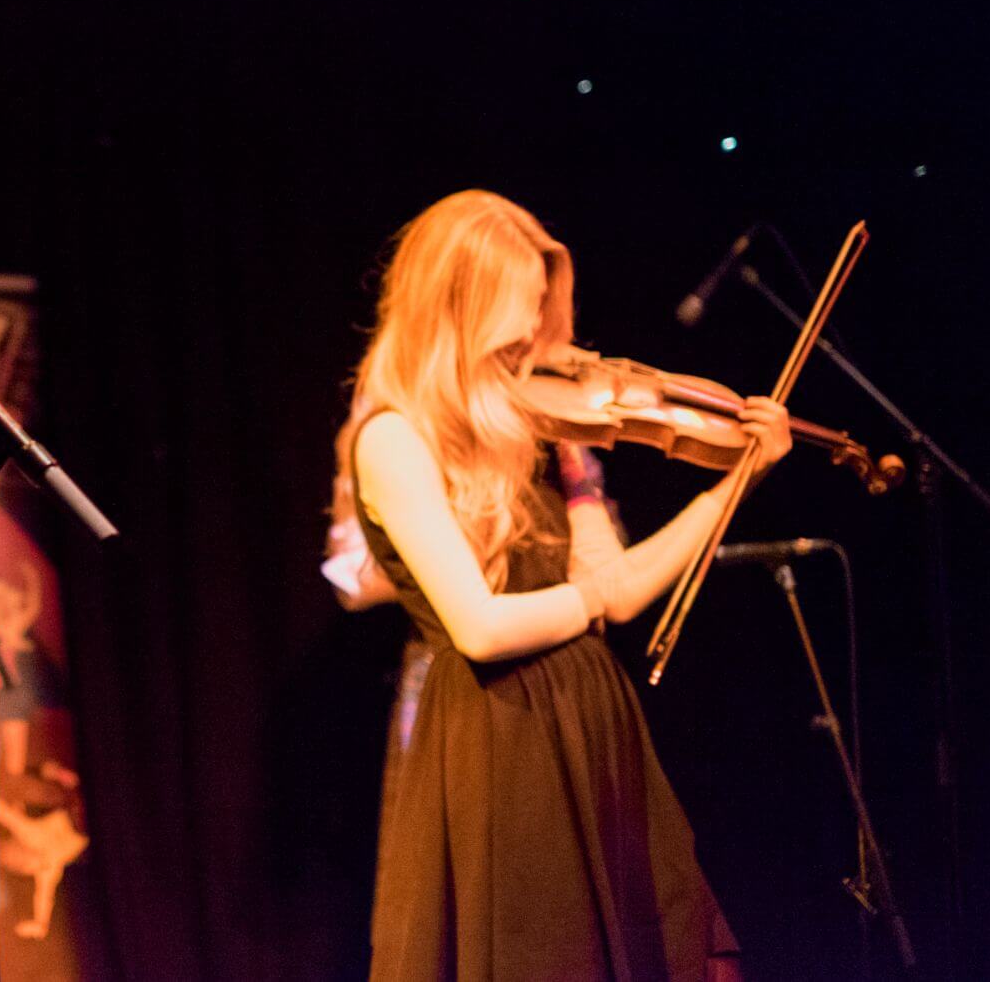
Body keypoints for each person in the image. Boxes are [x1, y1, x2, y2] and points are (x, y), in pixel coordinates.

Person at [334, 190, 792, 982]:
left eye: (537, 328)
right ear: (455, 311)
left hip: (595, 725)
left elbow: (620, 590)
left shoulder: (546, 432)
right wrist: (587, 605)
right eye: (511, 339)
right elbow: (478, 626)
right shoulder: (393, 438)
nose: (534, 355)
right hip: (501, 732)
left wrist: (732, 489)